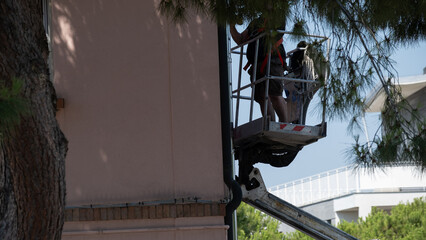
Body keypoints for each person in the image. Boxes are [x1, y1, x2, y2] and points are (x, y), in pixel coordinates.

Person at [230, 18, 288, 123]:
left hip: (272, 59)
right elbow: (241, 39)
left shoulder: (277, 15)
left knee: (274, 94)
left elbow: (276, 34)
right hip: (257, 63)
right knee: (261, 98)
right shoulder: (255, 22)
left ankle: (284, 124)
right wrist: (231, 25)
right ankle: (270, 123)